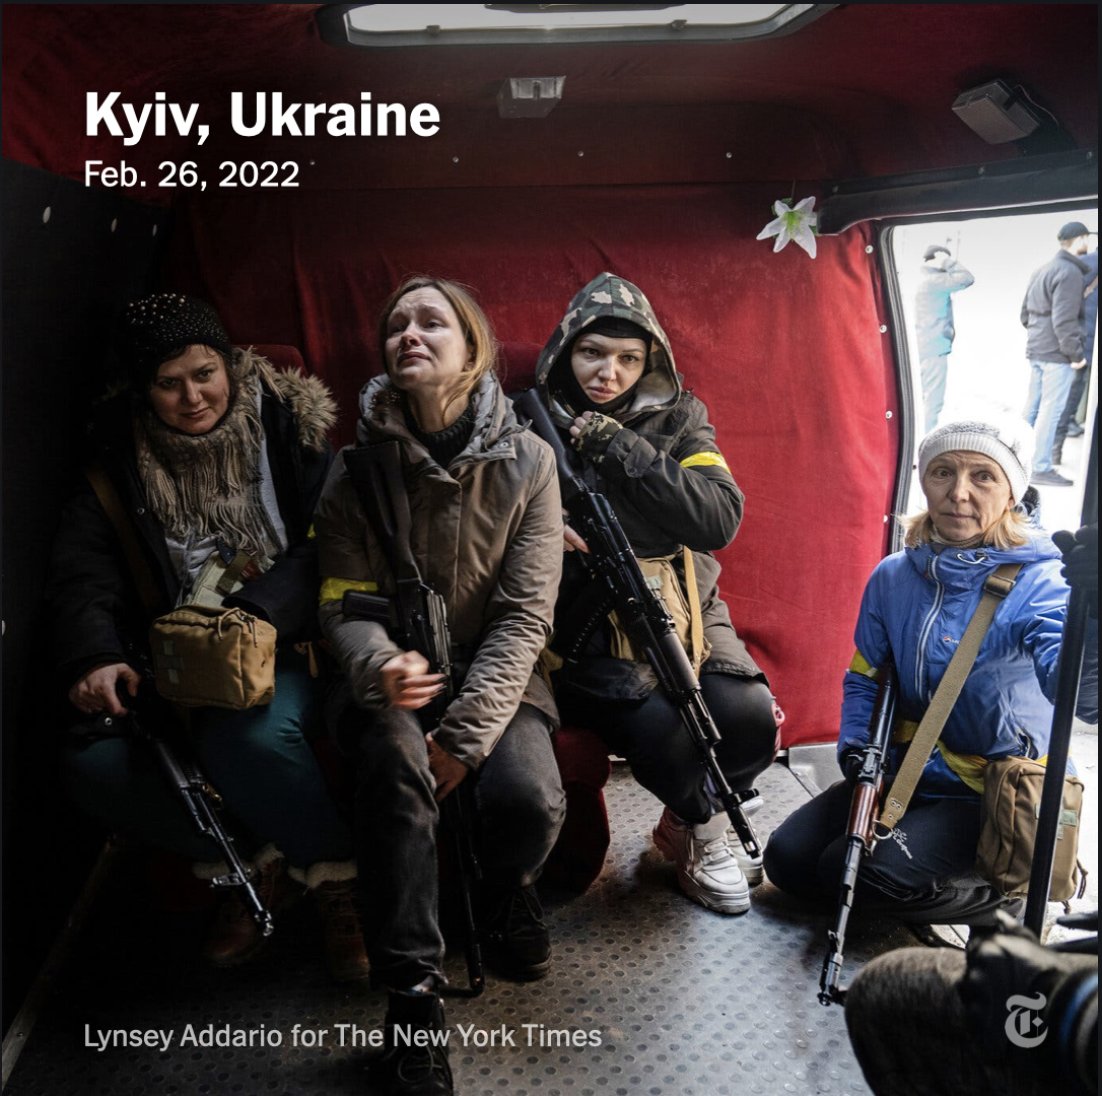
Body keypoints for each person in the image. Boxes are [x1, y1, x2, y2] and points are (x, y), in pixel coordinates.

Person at [48, 292, 367, 980]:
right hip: (171, 652)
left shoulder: (289, 430)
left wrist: (255, 611)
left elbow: (329, 542)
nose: (192, 398)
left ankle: (335, 877)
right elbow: (84, 573)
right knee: (92, 766)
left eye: (204, 374)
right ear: (143, 389)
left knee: (247, 739)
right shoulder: (116, 459)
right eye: (168, 383)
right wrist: (97, 655)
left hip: (284, 641)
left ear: (230, 365)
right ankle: (251, 861)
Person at [315, 276, 566, 1096]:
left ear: (474, 349)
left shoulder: (531, 463)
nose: (410, 335)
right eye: (397, 325)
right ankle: (413, 1000)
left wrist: (463, 739)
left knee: (527, 799)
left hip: (497, 669)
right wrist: (378, 665)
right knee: (394, 762)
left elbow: (525, 619)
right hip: (393, 674)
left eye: (432, 322)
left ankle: (509, 890)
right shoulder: (354, 470)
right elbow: (340, 601)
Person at [764, 418, 1098, 926]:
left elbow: (1084, 697)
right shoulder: (894, 575)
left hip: (989, 793)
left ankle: (1002, 899)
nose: (958, 493)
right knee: (787, 860)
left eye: (983, 476)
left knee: (854, 875)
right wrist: (859, 751)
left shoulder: (1045, 584)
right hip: (905, 769)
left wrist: (1094, 616)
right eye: (943, 472)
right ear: (924, 480)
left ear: (1012, 492)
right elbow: (866, 676)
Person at [529, 272, 778, 917]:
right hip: (580, 625)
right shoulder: (524, 417)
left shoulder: (680, 416)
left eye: (628, 359)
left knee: (749, 719)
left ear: (650, 362)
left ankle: (686, 822)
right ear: (565, 350)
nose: (608, 373)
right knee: (665, 730)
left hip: (684, 606)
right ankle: (707, 828)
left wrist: (620, 447)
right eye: (592, 353)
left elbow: (716, 518)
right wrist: (538, 523)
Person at [1020, 221, 1093, 487]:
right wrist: (1076, 355)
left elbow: (1024, 315)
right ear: (1080, 239)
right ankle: (1040, 467)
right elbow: (1064, 320)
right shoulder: (1070, 272)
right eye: (1087, 239)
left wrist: (1040, 337)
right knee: (1051, 411)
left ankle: (1015, 459)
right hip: (1056, 355)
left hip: (1037, 349)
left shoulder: (1042, 269)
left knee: (1032, 409)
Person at [915, 244, 974, 432]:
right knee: (933, 403)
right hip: (934, 349)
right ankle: (925, 441)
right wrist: (947, 260)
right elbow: (966, 278)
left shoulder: (922, 279)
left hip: (921, 347)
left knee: (920, 400)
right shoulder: (935, 281)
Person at [1052, 244, 1097, 467]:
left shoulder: (1083, 263)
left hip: (1080, 340)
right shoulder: (1087, 265)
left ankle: (1054, 448)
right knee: (1070, 396)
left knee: (1068, 396)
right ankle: (1054, 450)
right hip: (1082, 341)